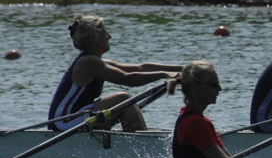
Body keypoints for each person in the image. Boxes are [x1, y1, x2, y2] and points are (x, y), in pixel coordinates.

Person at [48, 15, 182, 131]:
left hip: (78, 116)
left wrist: (182, 69)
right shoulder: (88, 63)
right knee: (122, 99)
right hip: (65, 121)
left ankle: (137, 139)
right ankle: (141, 145)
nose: (109, 37)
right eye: (105, 33)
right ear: (94, 37)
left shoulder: (96, 61)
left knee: (124, 103)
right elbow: (127, 79)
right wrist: (163, 74)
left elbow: (140, 68)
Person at [172, 61, 272, 158]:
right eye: (214, 85)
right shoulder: (194, 123)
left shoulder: (201, 120)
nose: (219, 89)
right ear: (196, 88)